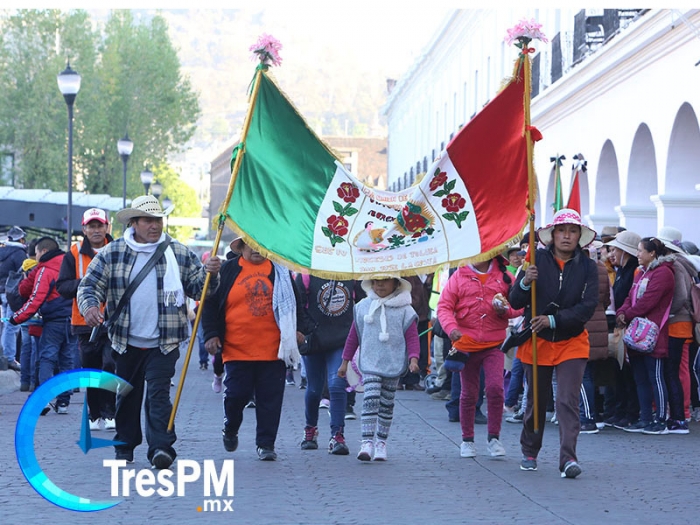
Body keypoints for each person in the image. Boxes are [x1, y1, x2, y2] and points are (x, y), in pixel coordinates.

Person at [77, 195, 221, 469]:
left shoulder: (177, 252)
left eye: (158, 220)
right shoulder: (113, 252)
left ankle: (161, 448)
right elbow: (89, 285)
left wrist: (210, 273)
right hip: (125, 340)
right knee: (127, 396)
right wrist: (90, 307)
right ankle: (125, 446)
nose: (154, 225)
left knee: (158, 395)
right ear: (134, 222)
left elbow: (199, 288)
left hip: (164, 342)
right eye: (147, 220)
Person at [509, 209, 598, 479]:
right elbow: (515, 301)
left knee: (567, 401)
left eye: (573, 231)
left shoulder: (588, 266)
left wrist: (553, 320)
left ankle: (568, 457)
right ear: (553, 235)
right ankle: (529, 451)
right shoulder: (534, 261)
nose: (567, 236)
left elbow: (588, 306)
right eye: (562, 231)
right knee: (536, 400)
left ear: (579, 236)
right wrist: (525, 282)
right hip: (537, 341)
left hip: (571, 341)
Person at [202, 232, 307, 461]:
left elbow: (295, 302)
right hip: (237, 349)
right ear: (241, 247)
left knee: (270, 400)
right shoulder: (228, 270)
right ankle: (231, 427)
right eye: (251, 244)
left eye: (261, 244)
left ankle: (266, 444)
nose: (256, 249)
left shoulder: (279, 271)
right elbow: (209, 302)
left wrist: (298, 330)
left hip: (274, 350)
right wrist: (210, 334)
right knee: (236, 396)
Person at [437, 255, 520, 458]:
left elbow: (519, 306)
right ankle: (467, 440)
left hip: (494, 343)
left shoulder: (506, 276)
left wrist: (505, 310)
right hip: (466, 344)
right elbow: (444, 306)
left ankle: (494, 438)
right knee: (468, 393)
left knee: (495, 389)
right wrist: (451, 328)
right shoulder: (458, 276)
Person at [338, 274, 420, 462]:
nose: (380, 284)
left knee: (386, 403)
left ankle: (381, 443)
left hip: (393, 362)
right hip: (370, 362)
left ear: (396, 284)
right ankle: (366, 442)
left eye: (385, 280)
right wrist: (345, 362)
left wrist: (413, 359)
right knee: (371, 397)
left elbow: (412, 337)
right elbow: (354, 336)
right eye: (375, 281)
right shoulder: (363, 307)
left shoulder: (405, 310)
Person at [57, 208, 116, 430]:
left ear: (107, 227)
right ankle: (94, 414)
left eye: (100, 225)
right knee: (91, 369)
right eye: (91, 226)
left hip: (113, 320)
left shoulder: (118, 250)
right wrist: (87, 283)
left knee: (110, 365)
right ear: (84, 229)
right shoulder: (73, 254)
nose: (96, 230)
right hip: (84, 323)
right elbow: (62, 286)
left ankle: (110, 413)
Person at [616, 237, 675, 435]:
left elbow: (649, 301)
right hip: (636, 332)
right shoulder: (640, 273)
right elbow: (629, 297)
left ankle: (660, 420)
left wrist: (627, 314)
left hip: (653, 332)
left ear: (652, 254)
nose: (638, 254)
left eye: (641, 251)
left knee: (655, 376)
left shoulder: (664, 273)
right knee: (640, 377)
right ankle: (645, 417)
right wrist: (622, 312)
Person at [11, 236, 75, 414]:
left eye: (37, 252)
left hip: (53, 320)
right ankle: (64, 402)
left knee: (47, 358)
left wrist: (16, 318)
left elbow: (35, 299)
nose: (35, 256)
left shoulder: (45, 269)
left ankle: (44, 398)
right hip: (72, 319)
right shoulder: (70, 263)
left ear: (44, 251)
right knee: (67, 359)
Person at [296, 275, 355, 455]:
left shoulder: (352, 275)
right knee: (314, 389)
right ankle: (310, 429)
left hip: (341, 338)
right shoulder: (307, 275)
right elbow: (297, 305)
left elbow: (363, 304)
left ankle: (337, 435)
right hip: (313, 338)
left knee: (337, 384)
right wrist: (302, 330)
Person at [0, 226, 28, 371]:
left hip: (1, 293)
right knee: (12, 325)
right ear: (21, 239)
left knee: (4, 324)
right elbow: (25, 275)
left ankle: (3, 356)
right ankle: (9, 358)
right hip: (13, 294)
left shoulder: (1, 250)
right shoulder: (19, 253)